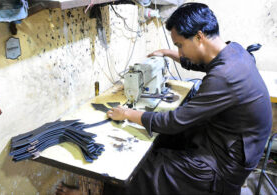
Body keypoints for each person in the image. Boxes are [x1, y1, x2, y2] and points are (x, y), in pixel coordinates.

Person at [56, 2, 272, 195]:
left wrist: (129, 113)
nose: (180, 51)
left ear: (199, 36)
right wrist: (168, 53)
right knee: (162, 143)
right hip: (234, 145)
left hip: (224, 167)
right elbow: (200, 61)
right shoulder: (234, 52)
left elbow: (174, 121)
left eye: (179, 45)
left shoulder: (224, 77)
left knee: (138, 171)